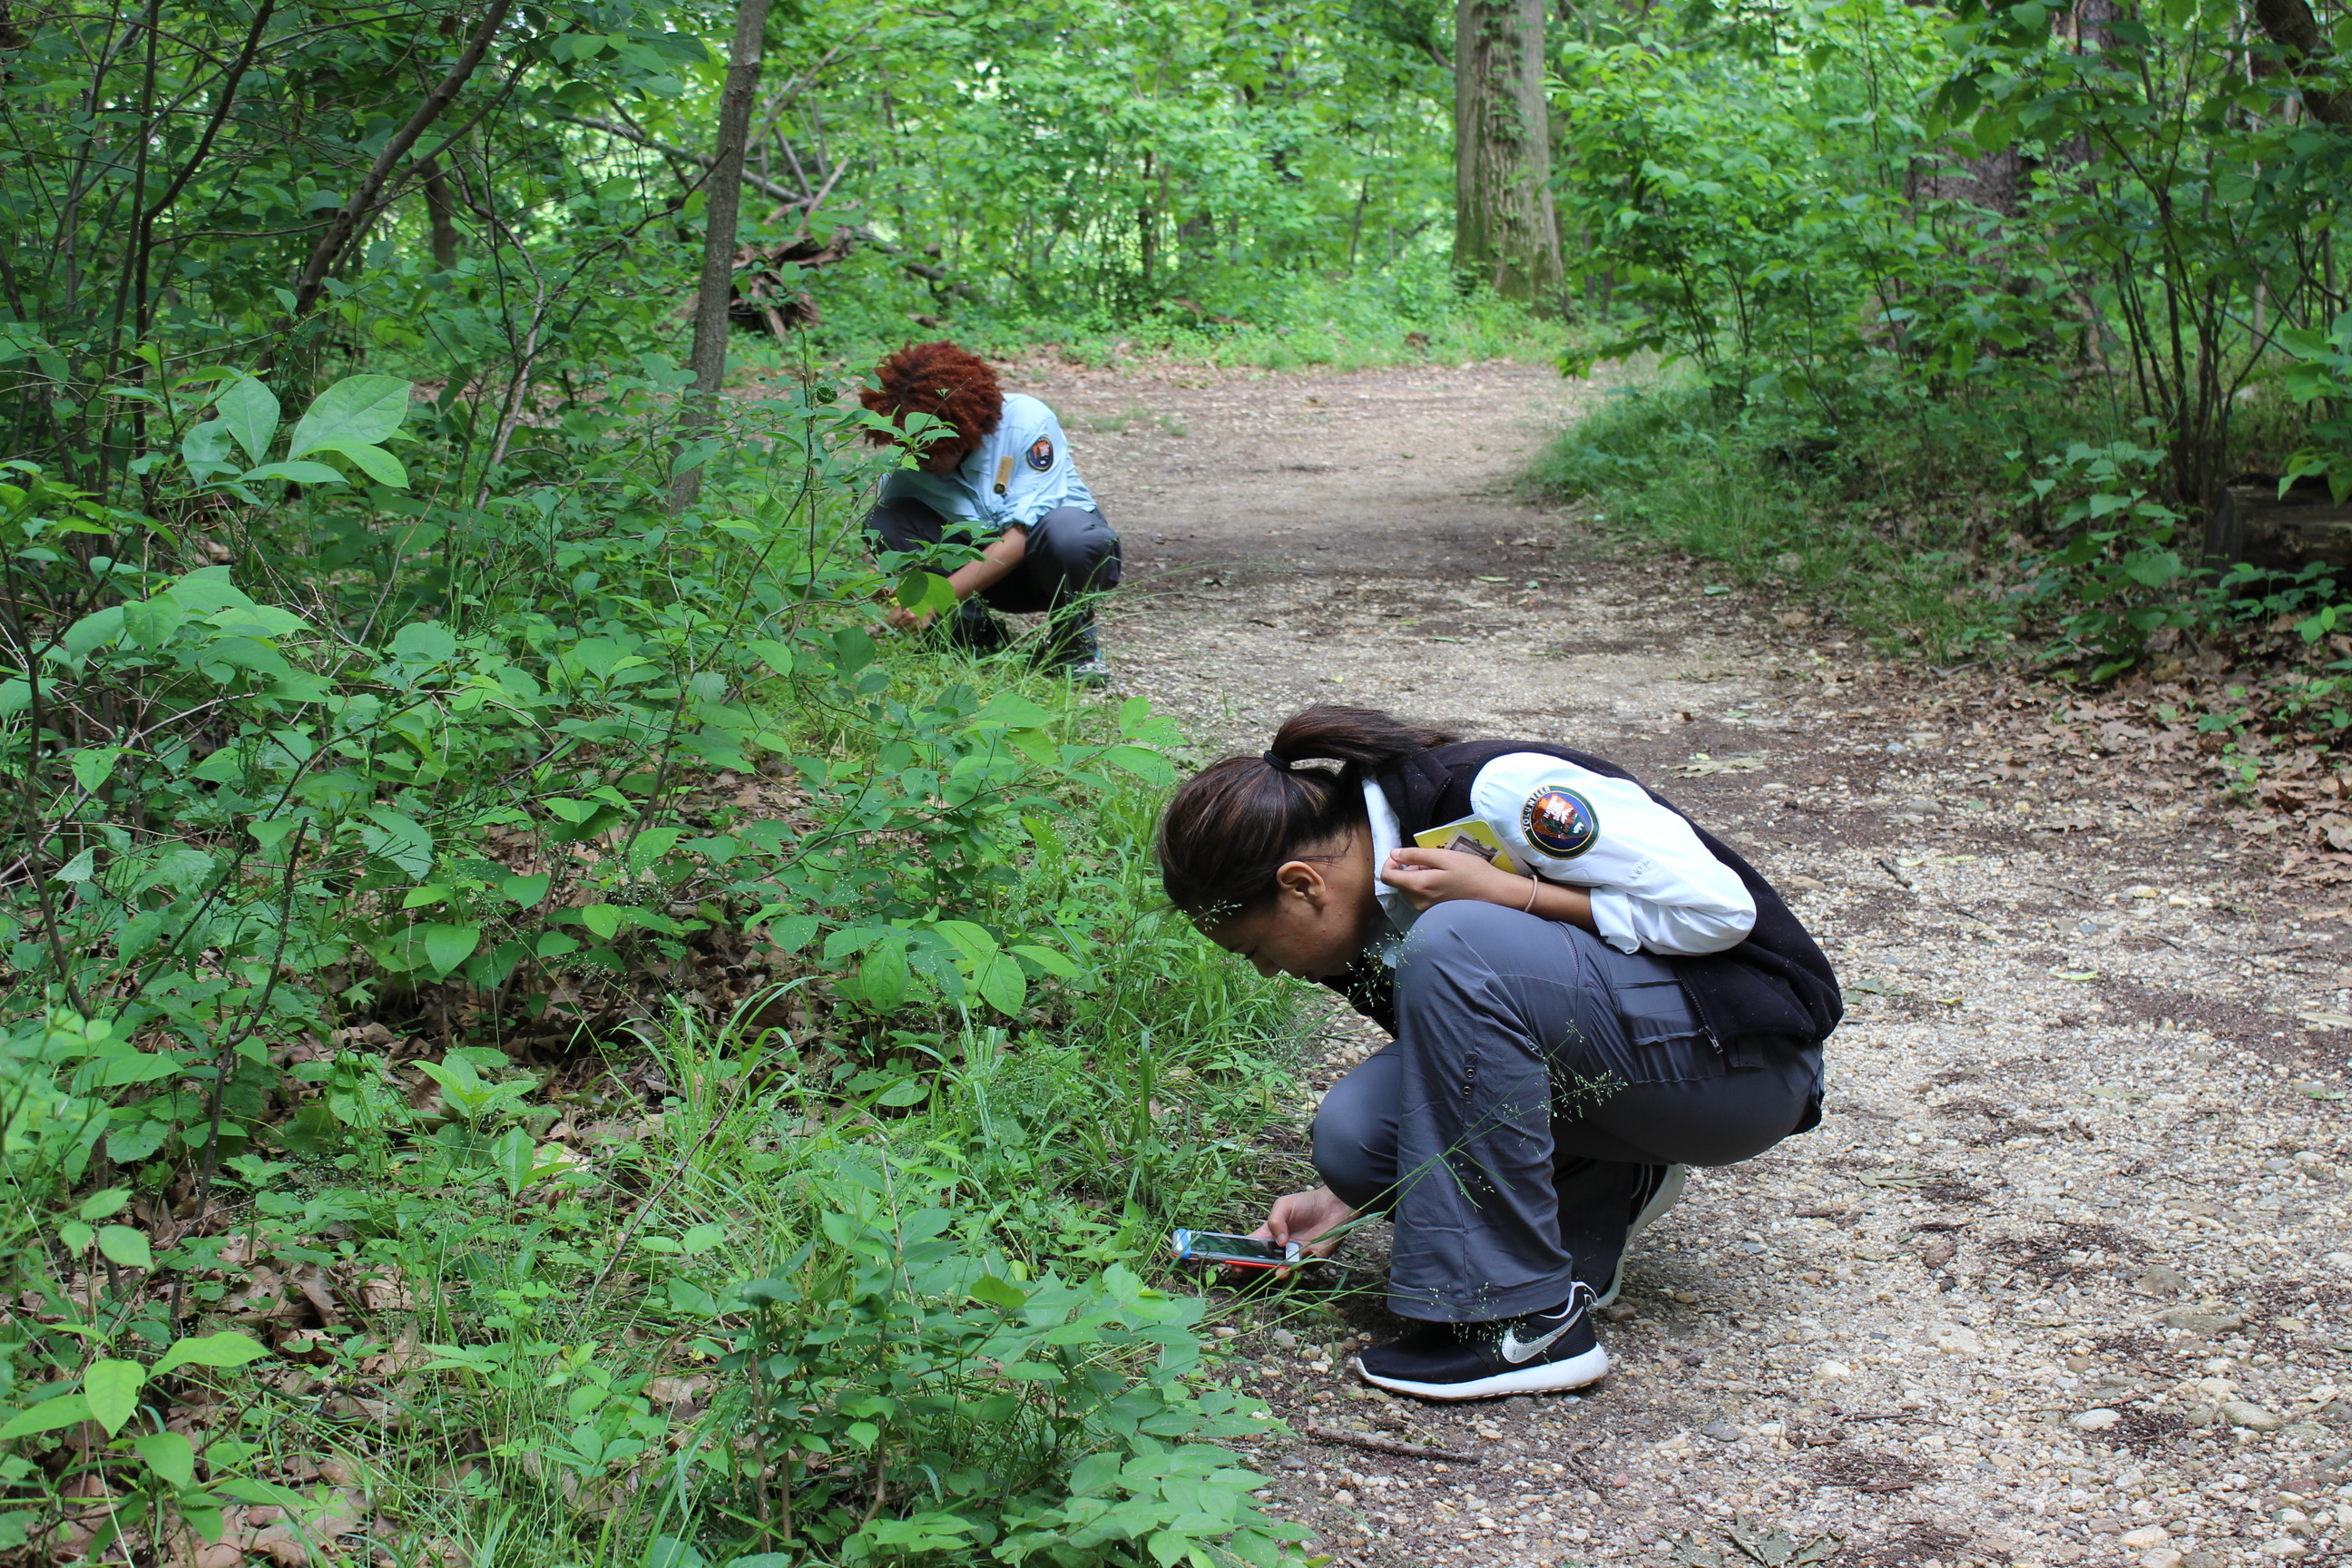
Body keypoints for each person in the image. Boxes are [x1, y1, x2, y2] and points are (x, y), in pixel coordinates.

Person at [1155, 706, 1840, 1401]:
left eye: (1255, 950)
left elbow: (1720, 910)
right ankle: (1599, 1192)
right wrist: (1343, 1201)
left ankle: (1522, 1323)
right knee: (1358, 1139)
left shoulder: (1498, 795)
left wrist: (1515, 894)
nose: (1268, 972)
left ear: (1303, 885)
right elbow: (1471, 1065)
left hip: (1743, 1064)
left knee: (1459, 939)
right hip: (1630, 1070)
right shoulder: (1359, 924)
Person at [858, 340, 1119, 683]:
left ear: (963, 428)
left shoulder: (1025, 421)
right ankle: (971, 639)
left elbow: (1024, 532)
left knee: (1068, 533)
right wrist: (886, 581)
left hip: (1050, 565)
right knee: (887, 518)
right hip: (982, 580)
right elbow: (885, 536)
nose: (920, 458)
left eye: (931, 448)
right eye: (909, 446)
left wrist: (934, 601)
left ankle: (1074, 649)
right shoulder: (907, 464)